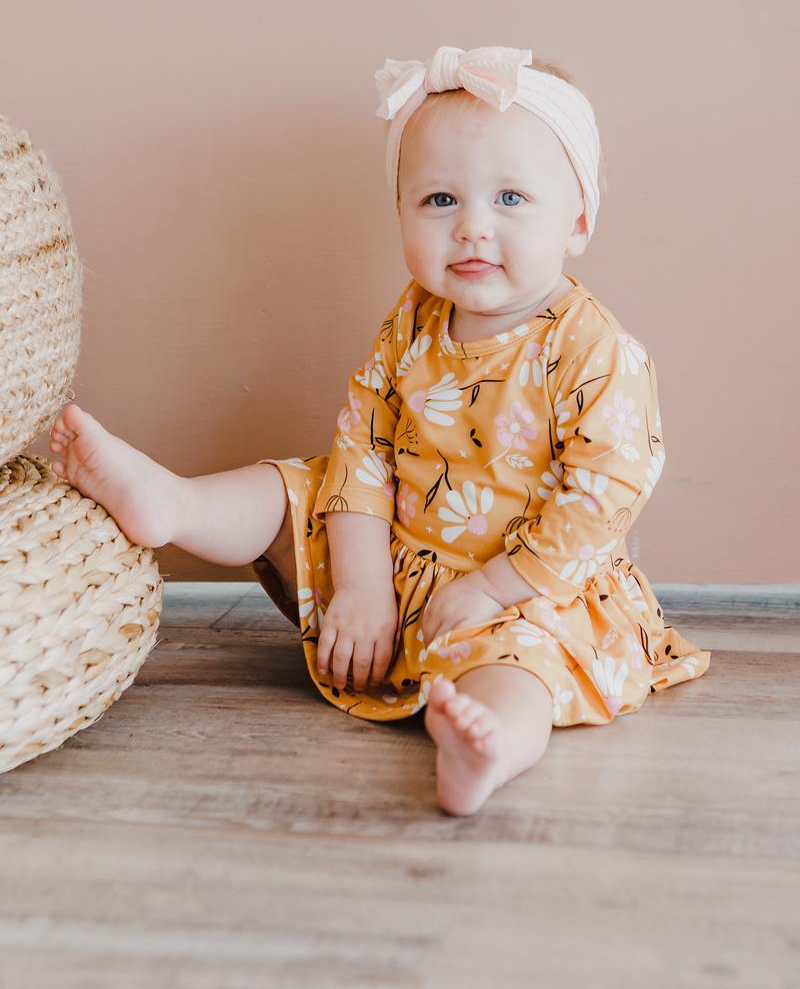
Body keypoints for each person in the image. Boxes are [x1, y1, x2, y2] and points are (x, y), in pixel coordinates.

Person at [48, 44, 711, 816]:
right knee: (297, 485)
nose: (471, 228)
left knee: (522, 665)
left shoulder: (591, 350)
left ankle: (487, 746)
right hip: (396, 570)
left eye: (509, 199)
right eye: (439, 201)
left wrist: (492, 589)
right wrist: (362, 588)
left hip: (526, 590)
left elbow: (602, 498)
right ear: (401, 212)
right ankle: (174, 506)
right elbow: (362, 447)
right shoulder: (414, 322)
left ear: (579, 221)